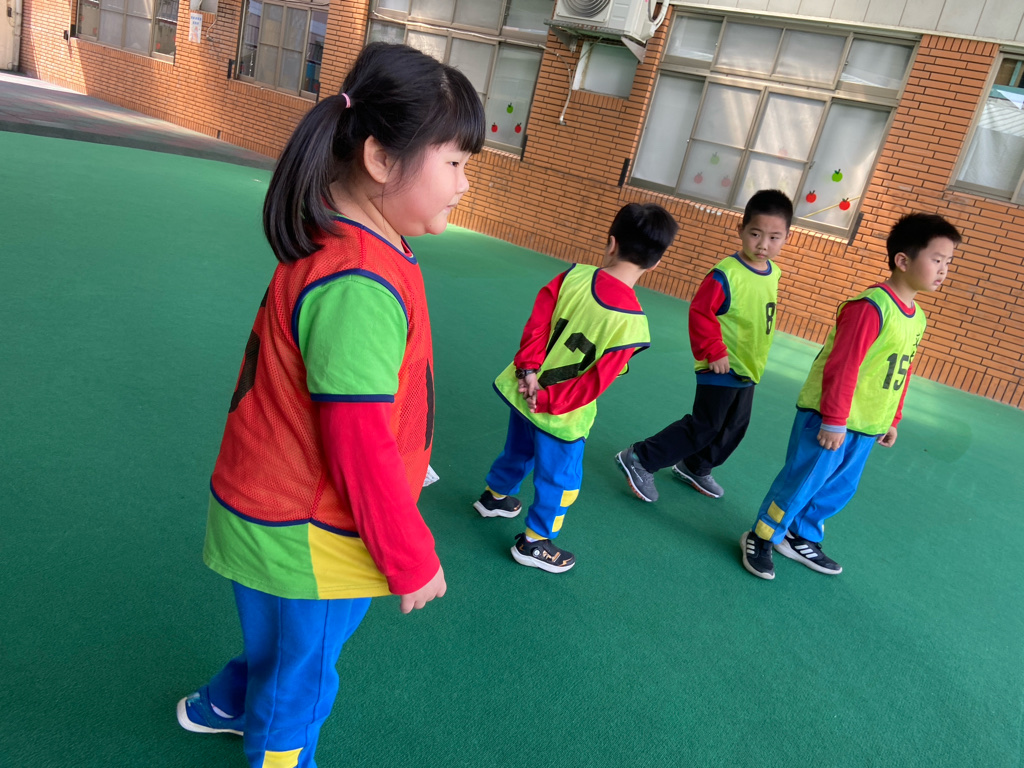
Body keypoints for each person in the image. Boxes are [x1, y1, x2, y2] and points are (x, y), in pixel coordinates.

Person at [175, 43, 485, 767]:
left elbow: (368, 409)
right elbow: (357, 441)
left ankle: (225, 704)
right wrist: (410, 554)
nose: (464, 183)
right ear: (380, 158)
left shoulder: (352, 242)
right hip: (309, 528)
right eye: (454, 162)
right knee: (303, 680)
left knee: (288, 648)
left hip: (279, 508)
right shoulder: (358, 282)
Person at [741, 212, 961, 580]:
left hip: (867, 424)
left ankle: (799, 536)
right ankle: (762, 535)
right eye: (937, 259)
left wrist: (892, 418)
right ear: (903, 260)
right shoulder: (870, 307)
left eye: (948, 262)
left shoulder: (917, 318)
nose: (943, 270)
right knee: (801, 482)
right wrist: (833, 420)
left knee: (837, 489)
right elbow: (842, 367)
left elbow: (902, 372)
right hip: (831, 420)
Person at [473, 203, 678, 573]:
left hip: (524, 391)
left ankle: (494, 498)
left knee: (518, 450)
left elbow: (537, 323)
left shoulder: (573, 275)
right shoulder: (634, 325)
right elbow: (594, 382)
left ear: (611, 243)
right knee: (560, 479)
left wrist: (528, 371)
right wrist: (547, 399)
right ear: (656, 263)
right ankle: (535, 543)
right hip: (562, 417)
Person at [616, 189, 793, 502]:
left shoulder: (773, 272)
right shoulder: (726, 274)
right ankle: (641, 458)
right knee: (705, 425)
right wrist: (714, 350)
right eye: (755, 234)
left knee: (734, 428)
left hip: (748, 367)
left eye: (774, 237)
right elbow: (701, 312)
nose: (763, 244)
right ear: (741, 229)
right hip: (721, 365)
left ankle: (696, 465)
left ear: (786, 238)